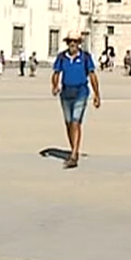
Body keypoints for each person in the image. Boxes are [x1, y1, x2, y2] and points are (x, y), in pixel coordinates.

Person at [51, 31, 101, 169]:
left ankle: (73, 155)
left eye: (75, 41)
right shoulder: (62, 57)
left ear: (79, 43)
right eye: (70, 41)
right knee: (68, 123)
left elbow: (92, 75)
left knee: (75, 122)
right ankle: (74, 148)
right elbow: (56, 73)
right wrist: (55, 86)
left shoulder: (85, 57)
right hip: (66, 93)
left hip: (81, 92)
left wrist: (97, 94)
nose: (72, 44)